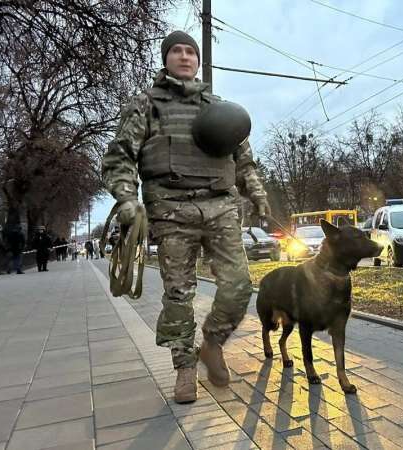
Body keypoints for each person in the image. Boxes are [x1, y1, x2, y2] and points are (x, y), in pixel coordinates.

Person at [102, 31, 270, 404]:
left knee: (239, 285)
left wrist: (257, 194)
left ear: (197, 60)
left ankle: (212, 343)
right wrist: (127, 199)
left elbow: (243, 160)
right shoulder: (147, 105)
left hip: (221, 205)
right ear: (166, 59)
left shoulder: (218, 107)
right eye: (176, 50)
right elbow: (119, 157)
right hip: (171, 208)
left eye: (190, 51)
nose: (184, 56)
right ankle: (184, 368)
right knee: (179, 293)